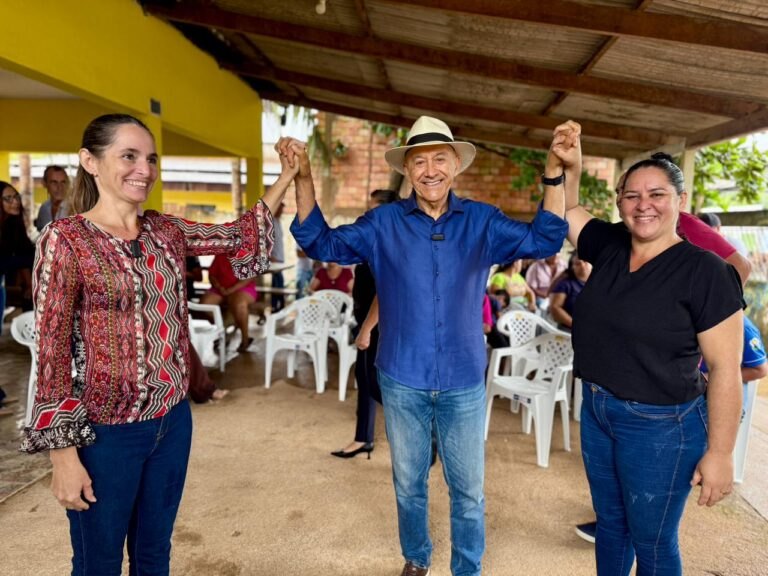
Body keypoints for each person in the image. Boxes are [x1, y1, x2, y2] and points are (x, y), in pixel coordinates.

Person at [281, 115, 568, 576]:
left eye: (439, 159)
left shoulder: (482, 221)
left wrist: (555, 171)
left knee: (468, 489)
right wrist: (306, 179)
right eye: (419, 162)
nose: (430, 170)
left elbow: (546, 237)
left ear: (455, 166)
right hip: (401, 376)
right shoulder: (383, 223)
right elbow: (320, 241)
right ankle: (416, 558)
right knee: (408, 484)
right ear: (408, 171)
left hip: (464, 378)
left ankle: (467, 568)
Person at [20, 113, 294, 576]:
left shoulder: (164, 230)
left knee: (154, 555)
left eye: (150, 158)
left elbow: (237, 235)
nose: (143, 169)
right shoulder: (65, 240)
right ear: (90, 161)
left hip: (172, 423)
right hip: (105, 434)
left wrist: (284, 175)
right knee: (97, 563)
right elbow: (51, 355)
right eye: (128, 156)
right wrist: (63, 456)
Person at [558, 121, 744, 576]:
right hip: (599, 409)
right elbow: (567, 212)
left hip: (662, 424)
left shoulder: (706, 273)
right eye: (631, 196)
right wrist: (572, 166)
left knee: (654, 541)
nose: (643, 206)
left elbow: (725, 368)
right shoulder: (610, 246)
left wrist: (720, 454)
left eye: (657, 194)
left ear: (681, 201)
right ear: (619, 202)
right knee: (612, 527)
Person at [331, 189, 399, 460]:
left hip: (379, 323)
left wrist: (368, 328)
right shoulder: (375, 239)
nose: (365, 214)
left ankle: (425, 428)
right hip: (366, 319)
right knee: (365, 379)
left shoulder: (389, 244)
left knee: (373, 383)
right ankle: (363, 437)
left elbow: (386, 291)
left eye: (371, 209)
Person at [200, 253, 260, 353]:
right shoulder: (220, 255)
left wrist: (231, 290)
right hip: (221, 288)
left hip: (243, 287)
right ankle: (224, 327)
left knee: (239, 304)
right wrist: (219, 286)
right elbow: (212, 275)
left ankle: (245, 339)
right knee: (204, 305)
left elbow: (249, 277)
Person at [0, 181, 35, 311]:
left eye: (16, 196)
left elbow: (22, 250)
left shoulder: (12, 224)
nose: (15, 202)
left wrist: (29, 284)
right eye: (8, 198)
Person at [548, 251, 591, 332]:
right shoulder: (565, 284)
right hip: (570, 331)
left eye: (585, 261)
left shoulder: (598, 284)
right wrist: (576, 326)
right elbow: (555, 308)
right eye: (578, 263)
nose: (582, 265)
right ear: (572, 267)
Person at [35, 165, 71, 231]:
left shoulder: (76, 208)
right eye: (54, 182)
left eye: (63, 182)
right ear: (45, 183)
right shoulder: (44, 208)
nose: (59, 187)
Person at [270, 201, 287, 312]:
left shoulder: (278, 222)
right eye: (280, 209)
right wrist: (270, 257)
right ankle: (278, 305)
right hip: (274, 259)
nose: (282, 211)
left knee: (277, 282)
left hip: (280, 258)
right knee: (278, 282)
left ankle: (277, 305)